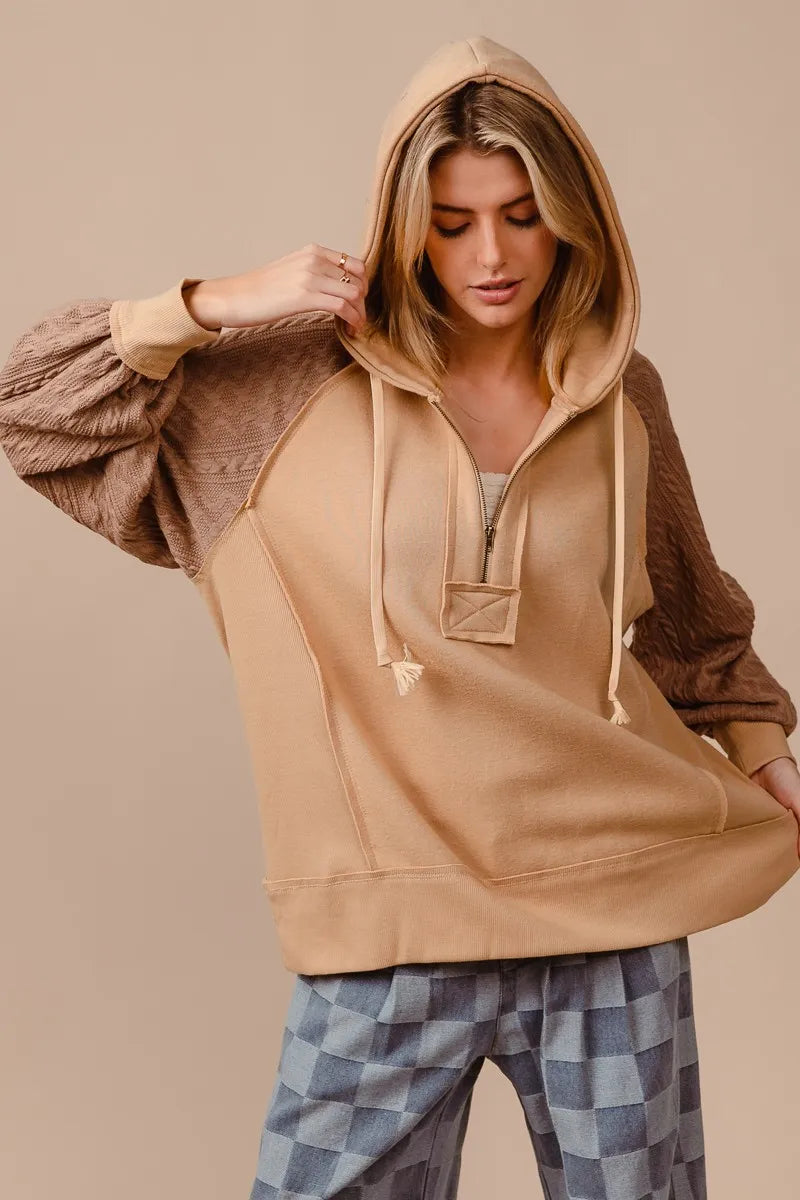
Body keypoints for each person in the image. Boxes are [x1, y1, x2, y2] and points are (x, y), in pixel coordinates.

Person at [1, 32, 798, 1200]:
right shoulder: (275, 388)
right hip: (386, 941)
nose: (492, 255)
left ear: (572, 215)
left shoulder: (623, 394)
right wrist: (215, 303)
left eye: (522, 215)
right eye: (451, 221)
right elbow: (33, 407)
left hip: (610, 915)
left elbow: (691, 625)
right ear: (400, 223)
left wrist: (763, 751)